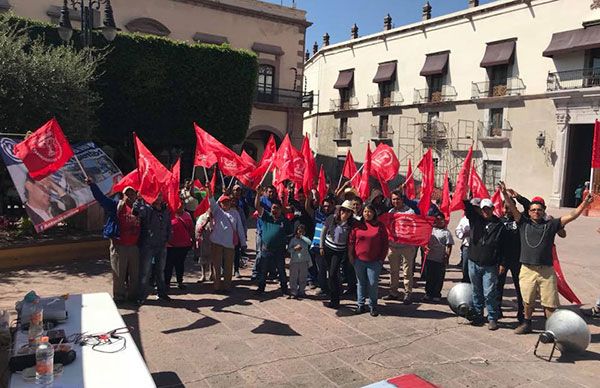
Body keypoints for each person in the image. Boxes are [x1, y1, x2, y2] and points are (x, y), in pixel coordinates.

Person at [502, 183, 595, 334]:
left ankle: (551, 329)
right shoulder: (523, 223)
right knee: (527, 300)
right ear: (529, 212)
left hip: (546, 270)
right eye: (533, 210)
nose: (536, 212)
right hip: (527, 269)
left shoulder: (551, 224)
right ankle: (527, 323)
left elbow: (572, 215)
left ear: (543, 211)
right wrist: (505, 194)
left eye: (539, 210)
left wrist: (585, 203)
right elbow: (512, 208)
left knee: (550, 303)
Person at [87, 178, 140, 303]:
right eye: (128, 194)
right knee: (119, 274)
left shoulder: (139, 208)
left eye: (133, 193)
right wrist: (92, 185)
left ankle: (133, 297)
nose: (131, 196)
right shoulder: (115, 206)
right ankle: (119, 297)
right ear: (123, 195)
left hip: (134, 246)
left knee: (134, 274)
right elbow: (101, 198)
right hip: (119, 246)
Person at [464, 197, 504, 330]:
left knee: (489, 292)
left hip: (490, 264)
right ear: (480, 210)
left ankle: (492, 317)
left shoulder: (499, 225)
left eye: (488, 209)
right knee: (476, 290)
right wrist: (465, 197)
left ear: (493, 209)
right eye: (483, 209)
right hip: (474, 261)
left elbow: (504, 246)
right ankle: (478, 315)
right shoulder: (475, 220)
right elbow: (468, 209)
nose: (486, 212)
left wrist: (502, 263)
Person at [348, 204, 389, 317]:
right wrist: (351, 256)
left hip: (374, 261)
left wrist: (381, 259)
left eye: (370, 211)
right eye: (365, 211)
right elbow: (351, 241)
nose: (367, 214)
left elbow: (385, 243)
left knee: (372, 284)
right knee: (361, 283)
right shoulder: (357, 225)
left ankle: (373, 305)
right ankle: (360, 304)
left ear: (374, 213)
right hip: (359, 260)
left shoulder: (380, 226)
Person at [134, 193, 172, 304]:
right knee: (145, 271)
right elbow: (138, 211)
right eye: (157, 195)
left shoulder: (165, 210)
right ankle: (141, 296)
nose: (159, 198)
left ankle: (162, 293)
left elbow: (168, 225)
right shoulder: (147, 208)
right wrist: (139, 200)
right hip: (148, 245)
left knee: (160, 271)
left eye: (161, 195)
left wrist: (168, 237)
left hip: (161, 245)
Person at [207, 187, 246, 293]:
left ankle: (227, 286)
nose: (226, 204)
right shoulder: (217, 211)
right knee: (216, 265)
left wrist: (243, 242)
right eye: (224, 202)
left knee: (229, 266)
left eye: (227, 201)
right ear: (220, 203)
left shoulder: (235, 213)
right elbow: (211, 200)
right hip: (217, 242)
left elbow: (240, 228)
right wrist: (209, 191)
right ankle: (217, 286)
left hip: (229, 243)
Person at [254, 186, 291, 295]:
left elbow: (289, 236)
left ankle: (284, 288)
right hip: (266, 249)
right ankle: (261, 288)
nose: (274, 210)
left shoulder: (285, 221)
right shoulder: (266, 216)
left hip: (279, 250)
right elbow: (257, 206)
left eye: (276, 208)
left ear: (280, 209)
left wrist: (289, 249)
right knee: (263, 270)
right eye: (273, 208)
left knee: (281, 270)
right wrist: (258, 193)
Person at [384, 190, 418, 304]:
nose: (395, 201)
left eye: (397, 199)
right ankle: (393, 292)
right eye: (393, 199)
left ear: (402, 199)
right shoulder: (391, 211)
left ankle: (407, 293)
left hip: (407, 247)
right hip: (393, 247)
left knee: (407, 271)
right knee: (393, 271)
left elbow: (414, 226)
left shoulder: (410, 212)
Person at [320, 200, 354, 308]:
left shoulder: (351, 224)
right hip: (328, 248)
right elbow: (323, 231)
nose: (345, 213)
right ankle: (333, 295)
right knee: (330, 273)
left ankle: (335, 298)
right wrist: (321, 246)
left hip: (339, 251)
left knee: (333, 273)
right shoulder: (332, 218)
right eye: (343, 210)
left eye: (348, 211)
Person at [306, 191, 335, 296]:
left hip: (331, 247)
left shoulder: (336, 216)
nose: (326, 208)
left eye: (328, 206)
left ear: (333, 205)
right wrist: (309, 198)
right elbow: (308, 209)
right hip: (318, 247)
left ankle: (335, 288)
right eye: (325, 206)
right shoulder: (318, 215)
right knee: (321, 269)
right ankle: (323, 288)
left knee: (332, 270)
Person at [422, 214, 454, 302]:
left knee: (438, 278)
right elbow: (424, 241)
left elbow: (449, 246)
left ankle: (436, 294)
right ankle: (428, 293)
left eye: (441, 220)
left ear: (444, 220)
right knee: (429, 277)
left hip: (440, 259)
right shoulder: (430, 230)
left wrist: (447, 257)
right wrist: (424, 247)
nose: (439, 221)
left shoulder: (446, 232)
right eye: (437, 219)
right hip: (429, 258)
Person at [165, 205, 194, 290]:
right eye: (178, 204)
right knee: (168, 265)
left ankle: (180, 282)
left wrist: (193, 239)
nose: (180, 206)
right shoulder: (169, 214)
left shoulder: (187, 215)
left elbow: (191, 228)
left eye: (182, 204)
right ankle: (167, 283)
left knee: (180, 264)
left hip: (183, 245)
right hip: (170, 245)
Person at [455, 199, 479, 284]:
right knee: (465, 265)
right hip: (467, 246)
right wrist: (464, 234)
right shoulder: (464, 219)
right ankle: (465, 281)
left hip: (477, 247)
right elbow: (458, 231)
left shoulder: (481, 219)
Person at [287, 224, 312, 299]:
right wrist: (294, 249)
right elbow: (289, 249)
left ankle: (302, 291)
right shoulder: (293, 240)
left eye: (302, 231)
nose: (300, 233)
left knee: (303, 277)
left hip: (304, 261)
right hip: (295, 261)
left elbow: (309, 242)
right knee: (293, 277)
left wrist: (302, 237)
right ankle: (293, 291)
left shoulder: (306, 239)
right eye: (299, 231)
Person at [194, 208, 214, 283]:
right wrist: (206, 221)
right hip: (204, 241)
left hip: (213, 241)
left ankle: (212, 273)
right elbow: (198, 229)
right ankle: (203, 275)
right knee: (203, 258)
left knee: (213, 258)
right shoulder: (202, 217)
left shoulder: (217, 217)